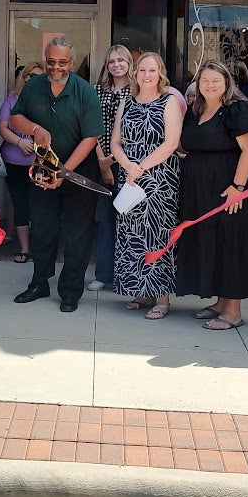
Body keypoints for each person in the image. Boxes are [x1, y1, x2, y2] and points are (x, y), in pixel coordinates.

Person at [6, 36, 103, 312]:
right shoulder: (34, 85)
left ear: (72, 62)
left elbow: (91, 138)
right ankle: (39, 283)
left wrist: (64, 172)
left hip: (78, 169)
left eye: (62, 62)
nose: (56, 67)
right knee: (42, 228)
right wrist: (35, 129)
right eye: (51, 62)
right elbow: (15, 117)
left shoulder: (85, 91)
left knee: (76, 234)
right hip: (43, 166)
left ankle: (70, 291)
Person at [175, 60, 248, 330]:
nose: (210, 85)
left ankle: (233, 311)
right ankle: (220, 302)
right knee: (212, 242)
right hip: (199, 188)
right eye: (205, 80)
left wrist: (238, 188)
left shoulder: (236, 109)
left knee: (230, 243)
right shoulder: (196, 110)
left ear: (227, 82)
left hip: (228, 186)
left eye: (216, 80)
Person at [110, 53, 183, 320]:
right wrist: (128, 166)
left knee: (157, 234)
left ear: (160, 73)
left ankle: (161, 298)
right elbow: (115, 142)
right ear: (135, 73)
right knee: (132, 234)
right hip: (129, 176)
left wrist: (141, 167)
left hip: (159, 178)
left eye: (152, 70)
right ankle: (141, 290)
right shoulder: (126, 101)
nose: (146, 75)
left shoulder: (169, 101)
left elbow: (171, 143)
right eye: (142, 70)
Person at [91, 45, 133, 291]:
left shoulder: (137, 91)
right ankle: (103, 274)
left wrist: (116, 160)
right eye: (111, 61)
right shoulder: (97, 91)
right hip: (102, 162)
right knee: (106, 219)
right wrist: (103, 162)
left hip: (129, 164)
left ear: (129, 62)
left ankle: (126, 275)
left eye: (121, 60)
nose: (116, 65)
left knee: (128, 220)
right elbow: (92, 127)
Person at [0, 62, 45, 266]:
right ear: (24, 77)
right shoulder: (12, 100)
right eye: (31, 76)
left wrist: (36, 145)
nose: (34, 80)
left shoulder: (46, 101)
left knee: (39, 204)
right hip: (13, 161)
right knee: (19, 203)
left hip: (39, 161)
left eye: (40, 76)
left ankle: (40, 247)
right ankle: (25, 248)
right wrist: (20, 142)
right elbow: (2, 128)